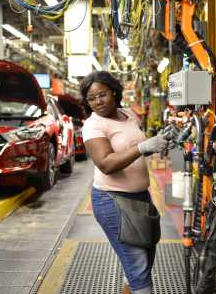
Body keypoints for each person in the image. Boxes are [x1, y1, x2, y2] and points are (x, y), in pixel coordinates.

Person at [80, 72, 173, 294]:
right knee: (138, 267)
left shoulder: (128, 114)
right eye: (91, 99)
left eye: (101, 95)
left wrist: (159, 144)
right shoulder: (93, 126)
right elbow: (106, 164)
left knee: (144, 260)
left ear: (114, 91)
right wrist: (144, 147)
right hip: (112, 201)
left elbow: (133, 149)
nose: (97, 102)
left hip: (141, 197)